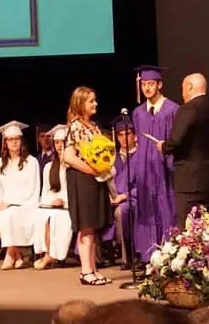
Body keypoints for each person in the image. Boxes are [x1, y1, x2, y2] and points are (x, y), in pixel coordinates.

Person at [157, 73, 209, 228]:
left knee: (187, 228)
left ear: (189, 87)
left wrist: (163, 146)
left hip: (189, 180)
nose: (183, 94)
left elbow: (174, 141)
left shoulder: (189, 108)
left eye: (183, 89)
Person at [63, 86, 113, 285]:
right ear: (80, 103)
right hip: (82, 179)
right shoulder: (75, 127)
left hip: (94, 178)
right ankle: (85, 271)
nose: (95, 104)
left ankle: (93, 269)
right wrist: (92, 169)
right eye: (91, 101)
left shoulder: (92, 126)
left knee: (92, 227)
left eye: (95, 100)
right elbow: (68, 157)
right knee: (86, 226)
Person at [132, 65, 179, 261]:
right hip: (145, 169)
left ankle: (170, 254)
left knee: (167, 207)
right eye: (144, 84)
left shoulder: (173, 109)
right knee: (147, 210)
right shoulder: (138, 113)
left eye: (151, 84)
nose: (147, 89)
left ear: (160, 84)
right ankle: (149, 256)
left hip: (165, 168)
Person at [0, 120, 40, 270]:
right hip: (4, 206)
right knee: (0, 215)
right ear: (5, 142)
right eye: (10, 139)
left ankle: (9, 254)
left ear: (22, 141)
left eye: (17, 139)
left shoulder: (31, 162)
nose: (14, 142)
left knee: (9, 214)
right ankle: (17, 255)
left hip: (26, 206)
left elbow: (33, 190)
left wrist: (12, 202)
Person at [101, 115, 140, 269]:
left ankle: (127, 258)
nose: (124, 138)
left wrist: (123, 196)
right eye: (120, 135)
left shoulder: (140, 156)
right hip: (113, 199)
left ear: (134, 135)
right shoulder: (111, 158)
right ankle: (99, 257)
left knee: (121, 211)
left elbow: (144, 184)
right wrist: (108, 198)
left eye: (128, 134)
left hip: (135, 199)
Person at [33, 124, 73, 269]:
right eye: (57, 142)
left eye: (63, 142)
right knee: (40, 215)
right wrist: (50, 202)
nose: (60, 145)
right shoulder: (49, 167)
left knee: (56, 218)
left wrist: (64, 201)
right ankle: (47, 254)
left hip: (69, 207)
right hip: (52, 205)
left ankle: (50, 256)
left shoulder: (74, 165)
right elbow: (45, 193)